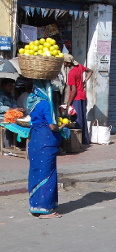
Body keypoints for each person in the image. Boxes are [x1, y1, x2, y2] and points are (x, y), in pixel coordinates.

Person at [27, 80, 67, 219]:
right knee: (47, 174)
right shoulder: (45, 104)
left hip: (35, 139)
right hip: (46, 140)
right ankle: (45, 209)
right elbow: (52, 126)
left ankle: (35, 206)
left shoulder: (31, 101)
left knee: (36, 172)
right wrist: (62, 128)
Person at [64, 54, 93, 145]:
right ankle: (85, 140)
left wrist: (68, 103)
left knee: (77, 120)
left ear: (67, 63)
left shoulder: (71, 73)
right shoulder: (79, 67)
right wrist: (84, 81)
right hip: (82, 95)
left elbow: (74, 91)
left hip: (76, 97)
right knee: (83, 118)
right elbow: (90, 71)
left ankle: (77, 142)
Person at [0, 78, 25, 147]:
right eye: (9, 85)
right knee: (7, 126)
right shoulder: (1, 95)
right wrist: (11, 109)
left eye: (12, 86)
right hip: (2, 118)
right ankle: (7, 147)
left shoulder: (10, 95)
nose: (11, 88)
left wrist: (19, 109)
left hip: (12, 117)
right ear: (4, 86)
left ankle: (18, 145)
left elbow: (15, 106)